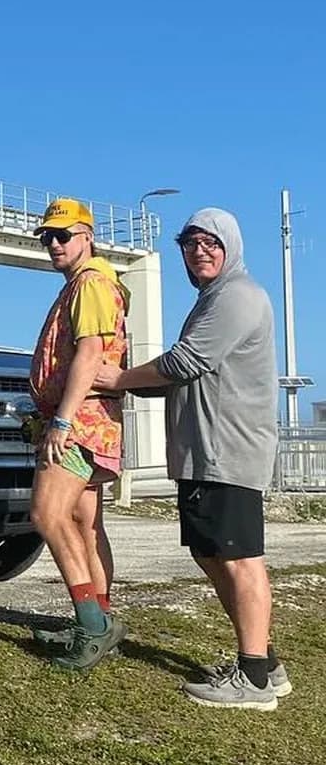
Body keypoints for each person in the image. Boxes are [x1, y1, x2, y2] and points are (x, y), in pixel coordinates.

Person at [95, 208, 285, 711]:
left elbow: (185, 362)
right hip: (205, 454)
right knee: (211, 552)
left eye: (211, 242)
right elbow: (186, 376)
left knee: (240, 558)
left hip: (227, 451)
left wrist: (116, 379)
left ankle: (255, 680)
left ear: (231, 247)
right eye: (190, 243)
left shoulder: (237, 296)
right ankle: (263, 660)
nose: (200, 251)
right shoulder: (212, 299)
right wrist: (136, 385)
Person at [27, 198, 130, 670]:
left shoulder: (90, 284)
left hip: (81, 422)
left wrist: (62, 420)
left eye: (62, 235)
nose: (53, 243)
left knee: (48, 513)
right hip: (95, 421)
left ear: (87, 236)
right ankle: (103, 617)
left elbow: (89, 353)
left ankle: (91, 624)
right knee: (87, 524)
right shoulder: (91, 284)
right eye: (47, 236)